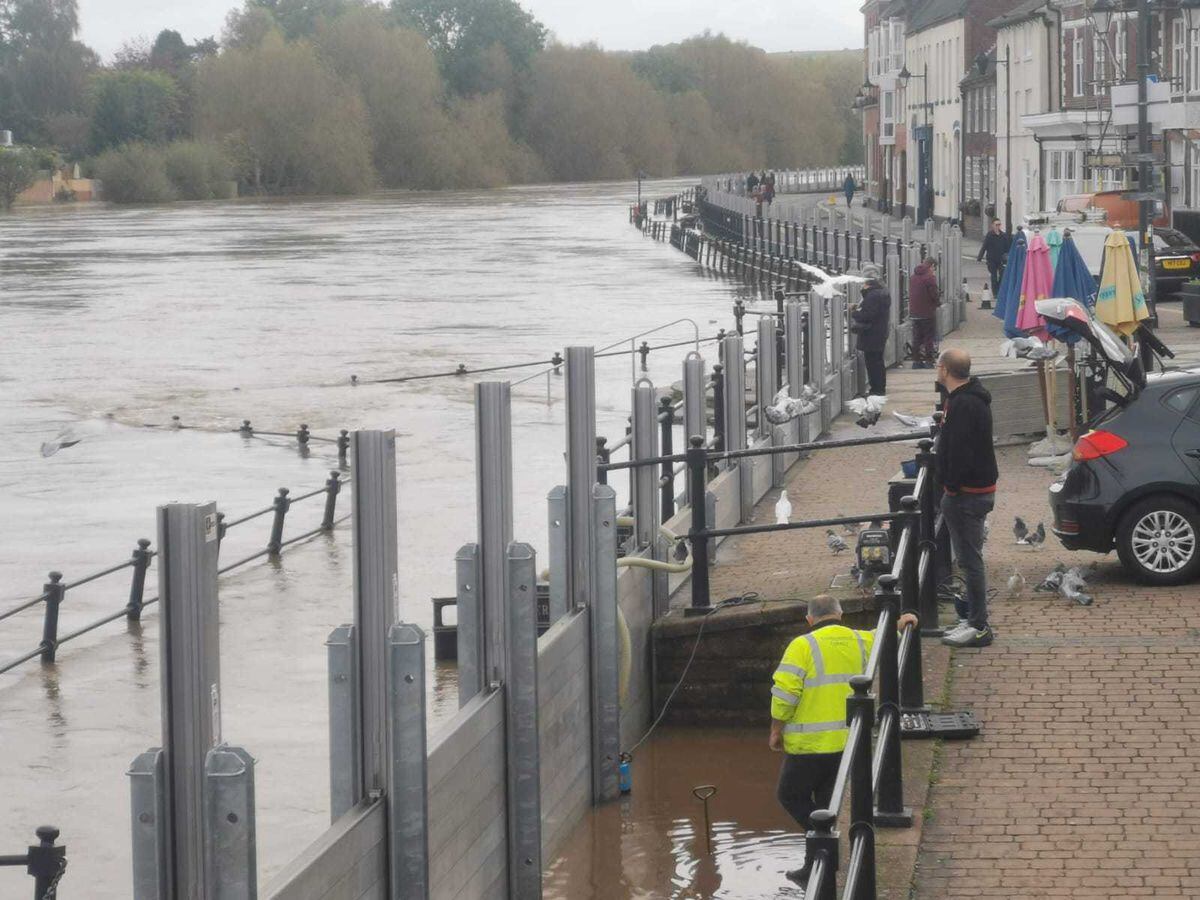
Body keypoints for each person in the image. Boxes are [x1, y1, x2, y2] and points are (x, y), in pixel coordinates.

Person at [770, 595, 918, 886]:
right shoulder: (857, 639)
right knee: (826, 802)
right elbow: (884, 637)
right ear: (841, 615)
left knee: (790, 796)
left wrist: (776, 728)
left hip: (808, 746)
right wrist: (904, 622)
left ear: (809, 620)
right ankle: (815, 869)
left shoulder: (801, 645)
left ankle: (823, 846)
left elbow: (785, 693)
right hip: (847, 742)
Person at [936, 348, 998, 649]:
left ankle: (978, 625)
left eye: (939, 365)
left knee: (970, 561)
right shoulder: (970, 400)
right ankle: (972, 617)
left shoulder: (962, 405)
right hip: (977, 490)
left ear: (945, 370)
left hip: (967, 495)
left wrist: (949, 486)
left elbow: (959, 450)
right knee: (967, 559)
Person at [851, 264, 891, 396]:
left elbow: (868, 316)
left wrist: (854, 312)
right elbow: (874, 312)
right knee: (878, 363)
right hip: (879, 333)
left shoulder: (873, 295)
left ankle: (876, 391)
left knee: (873, 365)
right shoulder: (881, 292)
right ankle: (879, 389)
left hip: (872, 335)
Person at [907, 257, 941, 369]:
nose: (934, 271)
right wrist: (937, 303)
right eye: (934, 268)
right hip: (927, 312)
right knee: (928, 337)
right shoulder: (930, 278)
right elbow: (934, 295)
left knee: (916, 337)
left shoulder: (913, 277)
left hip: (914, 312)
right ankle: (929, 361)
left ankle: (916, 361)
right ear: (932, 266)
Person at [977, 219, 1010, 298]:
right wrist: (979, 257)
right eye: (996, 225)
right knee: (994, 276)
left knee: (1002, 276)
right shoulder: (990, 235)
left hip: (1001, 260)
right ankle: (995, 293)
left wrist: (1008, 257)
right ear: (992, 225)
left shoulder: (1003, 235)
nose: (998, 226)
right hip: (991, 259)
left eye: (999, 224)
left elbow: (1007, 248)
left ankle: (998, 290)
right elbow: (984, 246)